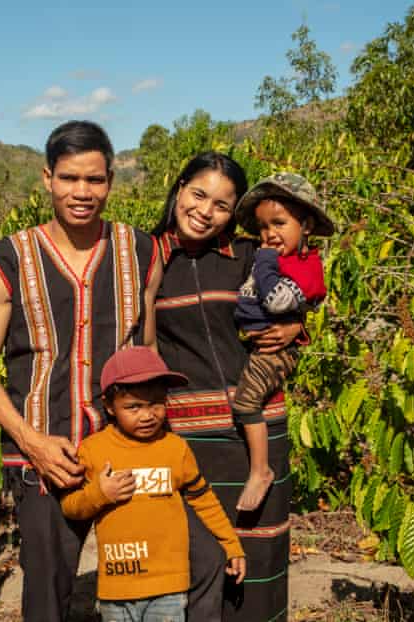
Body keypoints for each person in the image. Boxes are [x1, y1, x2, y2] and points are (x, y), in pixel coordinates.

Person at [0, 120, 162, 622]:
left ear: (111, 182)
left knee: (141, 587)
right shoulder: (9, 258)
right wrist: (30, 441)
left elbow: (149, 352)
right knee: (47, 597)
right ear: (47, 178)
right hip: (46, 458)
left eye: (94, 180)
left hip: (125, 451)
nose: (82, 192)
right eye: (70, 178)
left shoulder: (141, 251)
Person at [151, 152, 302, 622]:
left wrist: (297, 327)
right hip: (184, 436)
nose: (205, 211)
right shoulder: (145, 256)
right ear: (179, 190)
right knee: (198, 561)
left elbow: (291, 302)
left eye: (221, 204)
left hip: (256, 429)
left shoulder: (249, 258)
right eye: (198, 195)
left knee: (260, 559)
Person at [61, 346, 246, 622]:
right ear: (110, 406)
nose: (148, 415)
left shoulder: (175, 449)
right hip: (116, 589)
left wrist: (231, 545)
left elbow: (204, 500)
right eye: (133, 407)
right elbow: (70, 507)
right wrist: (100, 493)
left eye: (156, 403)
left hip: (168, 588)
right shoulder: (93, 451)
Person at [231, 173, 334, 512]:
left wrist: (264, 262)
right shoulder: (279, 258)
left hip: (278, 350)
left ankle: (260, 470)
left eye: (279, 223)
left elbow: (276, 301)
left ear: (305, 225)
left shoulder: (303, 266)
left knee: (246, 401)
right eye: (262, 227)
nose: (269, 235)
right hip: (261, 343)